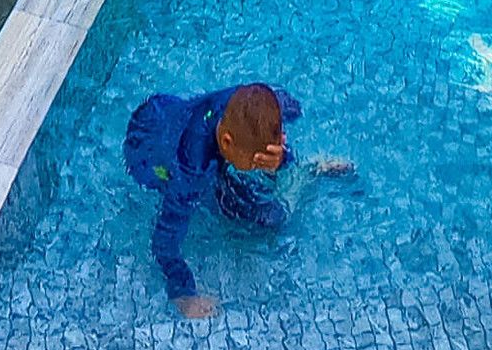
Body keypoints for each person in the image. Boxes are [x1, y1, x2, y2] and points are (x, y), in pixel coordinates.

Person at [121, 79, 350, 316]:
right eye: (255, 162)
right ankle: (309, 173)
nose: (256, 167)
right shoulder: (191, 173)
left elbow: (288, 105)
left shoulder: (237, 100)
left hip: (167, 110)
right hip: (148, 157)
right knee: (260, 223)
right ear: (227, 142)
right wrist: (184, 296)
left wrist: (282, 159)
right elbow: (164, 241)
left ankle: (305, 171)